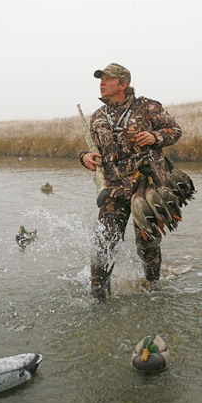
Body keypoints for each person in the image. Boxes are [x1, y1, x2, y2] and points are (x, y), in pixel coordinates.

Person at [80, 63, 182, 301]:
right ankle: (99, 299)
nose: (102, 83)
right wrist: (84, 157)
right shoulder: (97, 116)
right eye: (101, 79)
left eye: (108, 79)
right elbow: (93, 150)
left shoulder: (147, 107)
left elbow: (175, 130)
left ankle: (153, 289)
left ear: (123, 84)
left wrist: (155, 136)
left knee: (146, 246)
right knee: (104, 244)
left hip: (146, 190)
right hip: (113, 191)